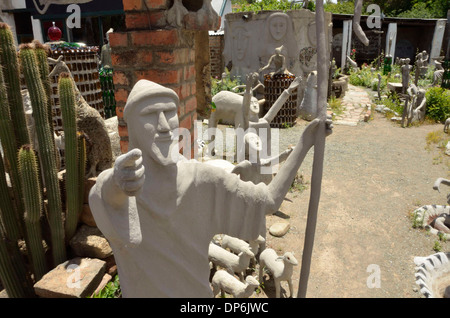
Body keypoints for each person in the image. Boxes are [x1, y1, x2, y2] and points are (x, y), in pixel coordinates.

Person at [89, 80, 332, 297]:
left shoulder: (200, 181)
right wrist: (119, 183)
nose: (164, 125)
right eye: (150, 115)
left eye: (169, 113)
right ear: (132, 125)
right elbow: (106, 197)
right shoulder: (116, 186)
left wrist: (304, 142)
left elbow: (268, 201)